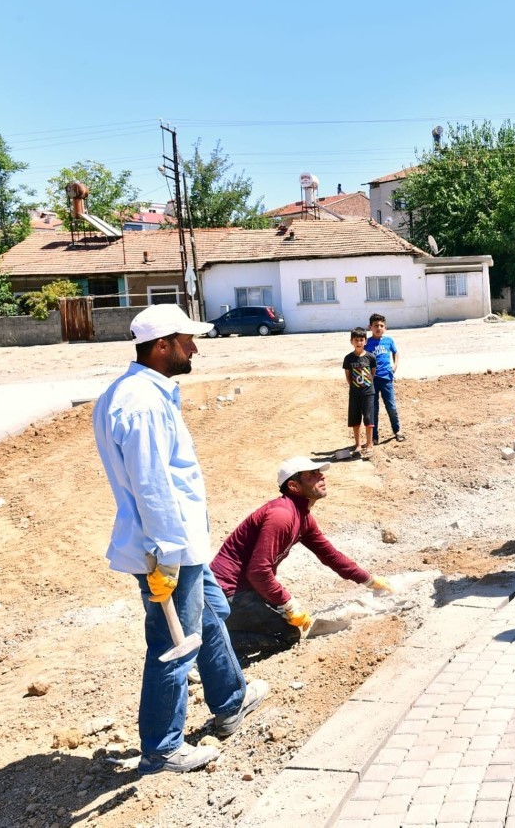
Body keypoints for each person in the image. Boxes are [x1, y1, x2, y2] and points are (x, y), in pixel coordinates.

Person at [92, 303, 268, 775]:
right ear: (161, 346)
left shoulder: (137, 393)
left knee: (210, 615)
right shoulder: (142, 403)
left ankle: (231, 700)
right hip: (166, 547)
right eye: (186, 341)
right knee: (174, 642)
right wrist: (168, 556)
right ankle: (162, 748)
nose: (194, 349)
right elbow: (152, 485)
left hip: (180, 542)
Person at [211, 457, 394, 649]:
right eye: (312, 474)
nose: (321, 476)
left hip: (247, 588)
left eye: (319, 472)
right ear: (294, 486)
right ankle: (211, 638)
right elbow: (258, 572)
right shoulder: (281, 515)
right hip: (227, 591)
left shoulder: (302, 517)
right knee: (287, 635)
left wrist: (369, 580)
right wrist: (288, 603)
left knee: (283, 619)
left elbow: (330, 555)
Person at [365, 313, 403, 443]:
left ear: (385, 328)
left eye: (381, 326)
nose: (379, 328)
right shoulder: (367, 343)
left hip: (386, 378)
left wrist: (395, 365)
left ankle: (397, 431)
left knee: (391, 406)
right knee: (373, 408)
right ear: (370, 327)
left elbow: (395, 352)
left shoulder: (389, 341)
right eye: (376, 325)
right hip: (372, 380)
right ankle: (374, 436)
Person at [343, 328, 377, 458]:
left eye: (361, 340)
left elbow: (372, 373)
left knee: (368, 418)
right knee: (355, 419)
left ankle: (369, 444)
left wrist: (366, 386)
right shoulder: (348, 358)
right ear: (351, 341)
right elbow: (348, 376)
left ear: (365, 341)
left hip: (368, 393)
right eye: (356, 340)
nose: (359, 342)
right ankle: (357, 444)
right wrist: (355, 387)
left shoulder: (370, 357)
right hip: (354, 393)